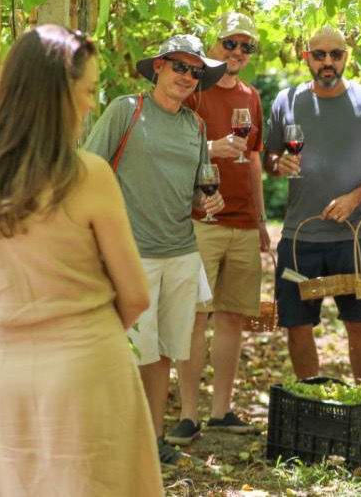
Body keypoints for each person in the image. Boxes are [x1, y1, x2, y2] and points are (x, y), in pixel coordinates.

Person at [0, 24, 162, 495]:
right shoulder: (87, 174)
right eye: (86, 92)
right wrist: (82, 330)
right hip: (86, 367)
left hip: (2, 370)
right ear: (55, 93)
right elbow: (135, 295)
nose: (91, 105)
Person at [84, 34, 227, 463]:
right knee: (128, 350)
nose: (187, 76)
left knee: (163, 350)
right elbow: (88, 172)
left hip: (182, 252)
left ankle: (152, 438)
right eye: (179, 67)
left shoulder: (195, 126)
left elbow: (196, 193)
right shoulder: (126, 111)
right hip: (132, 253)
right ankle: (112, 437)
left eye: (195, 71)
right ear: (159, 67)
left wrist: (207, 202)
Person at [264, 26, 361, 381]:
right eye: (319, 55)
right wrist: (277, 164)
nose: (328, 62)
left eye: (335, 54)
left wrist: (354, 199)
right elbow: (269, 160)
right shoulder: (286, 100)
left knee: (358, 321)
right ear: (307, 58)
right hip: (298, 237)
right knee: (298, 324)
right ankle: (310, 396)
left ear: (346, 57)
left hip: (352, 237)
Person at [168, 13, 268, 444]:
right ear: (215, 43)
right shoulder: (195, 90)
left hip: (245, 223)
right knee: (195, 317)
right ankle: (189, 414)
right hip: (203, 220)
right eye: (231, 43)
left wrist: (262, 220)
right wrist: (213, 148)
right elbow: (173, 148)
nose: (237, 53)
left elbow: (256, 157)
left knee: (232, 318)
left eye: (246, 47)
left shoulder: (251, 95)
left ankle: (221, 410)